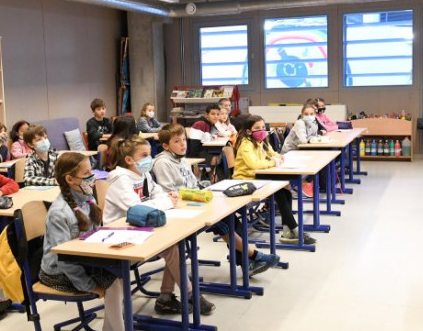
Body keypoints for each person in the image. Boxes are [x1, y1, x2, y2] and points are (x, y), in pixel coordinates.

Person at [104, 135, 215, 315]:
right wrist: (166, 203)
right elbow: (136, 209)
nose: (150, 158)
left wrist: (165, 201)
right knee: (172, 247)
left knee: (174, 243)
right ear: (129, 160)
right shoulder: (120, 179)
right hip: (121, 235)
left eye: (150, 153)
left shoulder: (144, 174)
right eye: (144, 155)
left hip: (144, 227)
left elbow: (160, 195)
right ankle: (190, 295)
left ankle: (166, 298)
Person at [152, 124, 280, 276]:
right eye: (177, 141)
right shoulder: (163, 163)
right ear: (166, 146)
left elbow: (193, 184)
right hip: (180, 209)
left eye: (184, 140)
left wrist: (203, 189)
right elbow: (169, 193)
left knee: (230, 216)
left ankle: (248, 262)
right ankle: (253, 256)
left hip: (194, 201)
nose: (183, 144)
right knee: (223, 223)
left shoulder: (181, 159)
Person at [40, 152, 124, 331]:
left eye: (91, 170)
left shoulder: (86, 198)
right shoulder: (59, 212)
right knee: (114, 282)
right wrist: (90, 286)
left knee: (119, 275)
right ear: (70, 179)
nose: (92, 176)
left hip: (82, 261)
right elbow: (63, 258)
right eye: (86, 174)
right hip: (57, 271)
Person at [234, 115, 315, 245]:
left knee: (285, 189)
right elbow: (254, 165)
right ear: (249, 131)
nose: (261, 130)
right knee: (278, 191)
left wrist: (279, 157)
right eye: (257, 128)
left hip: (259, 176)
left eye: (262, 127)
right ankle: (294, 229)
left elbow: (272, 153)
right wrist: (272, 163)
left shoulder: (261, 141)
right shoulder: (245, 144)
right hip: (245, 179)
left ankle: (288, 230)